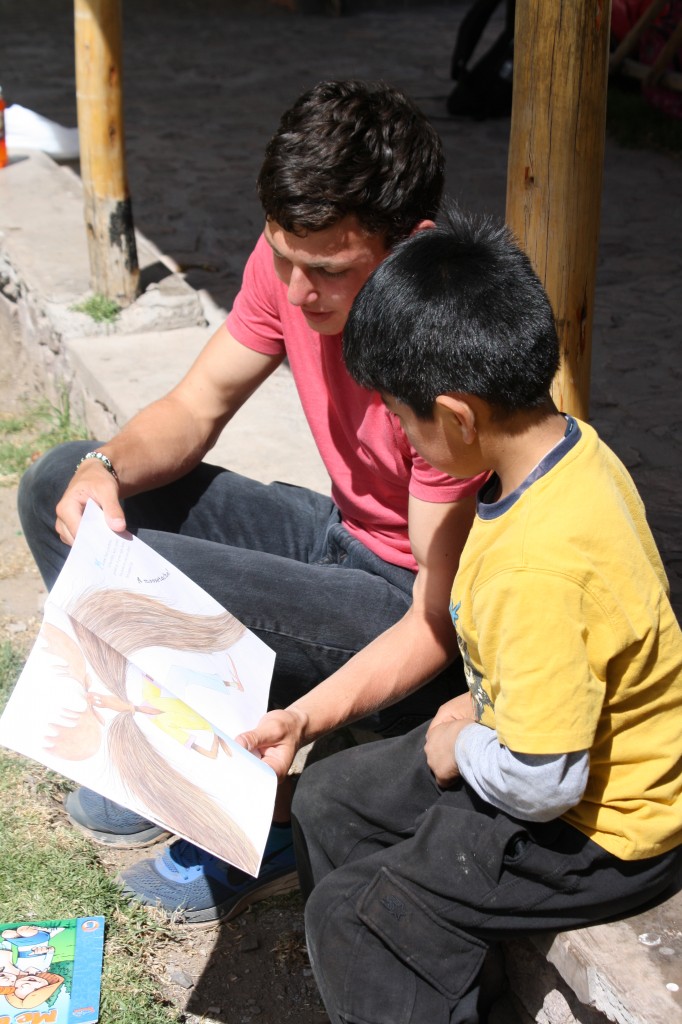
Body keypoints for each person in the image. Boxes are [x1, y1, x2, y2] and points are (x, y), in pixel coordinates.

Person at [17, 80, 486, 926]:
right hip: (337, 535)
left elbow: (438, 615)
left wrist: (310, 717)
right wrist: (102, 465)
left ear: (409, 245)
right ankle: (170, 761)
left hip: (409, 604)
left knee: (143, 571)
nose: (301, 292)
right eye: (285, 258)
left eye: (331, 272)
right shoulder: (292, 267)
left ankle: (263, 817)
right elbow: (195, 409)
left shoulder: (445, 347)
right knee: (61, 488)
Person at [237, 209, 682, 1022]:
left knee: (354, 919)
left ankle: (394, 960)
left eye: (406, 422)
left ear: (459, 416)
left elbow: (545, 782)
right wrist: (478, 712)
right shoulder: (566, 444)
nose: (407, 442)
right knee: (330, 797)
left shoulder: (538, 565)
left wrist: (467, 741)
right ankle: (427, 986)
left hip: (602, 830)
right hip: (526, 740)